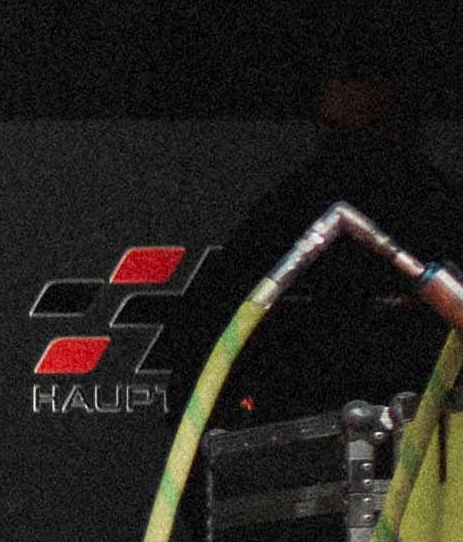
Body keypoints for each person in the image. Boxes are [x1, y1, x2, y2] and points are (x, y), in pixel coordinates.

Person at [164, 76, 463, 424]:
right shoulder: (284, 211)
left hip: (430, 424)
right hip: (306, 425)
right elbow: (200, 337)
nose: (352, 149)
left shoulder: (443, 208)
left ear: (408, 131)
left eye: (372, 129)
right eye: (335, 130)